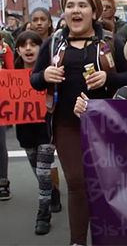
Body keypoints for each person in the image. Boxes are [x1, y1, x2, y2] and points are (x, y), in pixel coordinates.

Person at [30, 0, 127, 245]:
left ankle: (111, 237)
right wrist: (44, 75)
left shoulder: (111, 42)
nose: (75, 10)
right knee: (77, 183)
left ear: (94, 13)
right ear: (63, 13)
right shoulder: (53, 43)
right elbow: (35, 80)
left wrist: (108, 77)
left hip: (107, 125)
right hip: (66, 125)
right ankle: (77, 242)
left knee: (107, 184)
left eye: (82, 5)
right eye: (70, 6)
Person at [14, 31, 61, 235]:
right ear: (18, 50)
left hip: (46, 127)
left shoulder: (49, 70)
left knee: (43, 171)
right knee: (37, 169)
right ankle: (53, 192)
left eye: (33, 44)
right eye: (24, 45)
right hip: (25, 130)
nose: (28, 48)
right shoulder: (10, 73)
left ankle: (43, 215)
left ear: (41, 49)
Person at [0, 34, 14, 201]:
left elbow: (12, 76)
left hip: (1, 101)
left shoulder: (4, 49)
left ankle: (3, 180)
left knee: (0, 143)